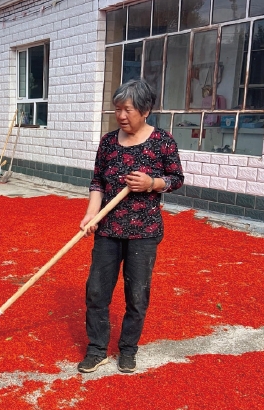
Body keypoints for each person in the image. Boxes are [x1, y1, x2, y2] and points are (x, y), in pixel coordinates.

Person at [77, 79, 184, 375]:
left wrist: (153, 183)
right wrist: (91, 215)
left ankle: (128, 349)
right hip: (108, 230)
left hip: (144, 232)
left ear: (145, 110)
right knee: (96, 291)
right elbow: (98, 181)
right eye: (117, 109)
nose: (121, 115)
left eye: (128, 109)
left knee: (137, 294)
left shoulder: (162, 141)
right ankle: (97, 348)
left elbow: (176, 179)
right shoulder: (109, 142)